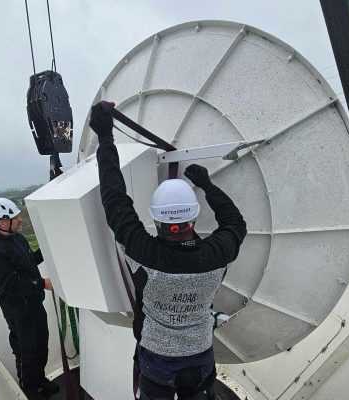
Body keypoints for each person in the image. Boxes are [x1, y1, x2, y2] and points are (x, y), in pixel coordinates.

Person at [90, 102, 247, 400]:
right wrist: (207, 185)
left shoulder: (144, 252)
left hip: (157, 360)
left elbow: (114, 200)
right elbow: (235, 223)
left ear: (157, 219)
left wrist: (105, 138)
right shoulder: (217, 253)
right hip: (200, 355)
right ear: (194, 216)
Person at [0, 198, 59, 400]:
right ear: (1, 222)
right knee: (26, 353)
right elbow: (10, 286)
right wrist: (42, 283)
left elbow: (30, 263)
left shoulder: (18, 239)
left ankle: (40, 379)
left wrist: (46, 247)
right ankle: (29, 389)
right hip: (18, 312)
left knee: (41, 345)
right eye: (15, 217)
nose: (20, 220)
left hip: (34, 304)